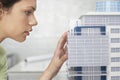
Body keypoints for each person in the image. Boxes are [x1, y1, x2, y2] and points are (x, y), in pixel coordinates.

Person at [0, 0, 68, 80]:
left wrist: (53, 67)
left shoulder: (1, 54)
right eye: (28, 12)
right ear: (1, 11)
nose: (34, 22)